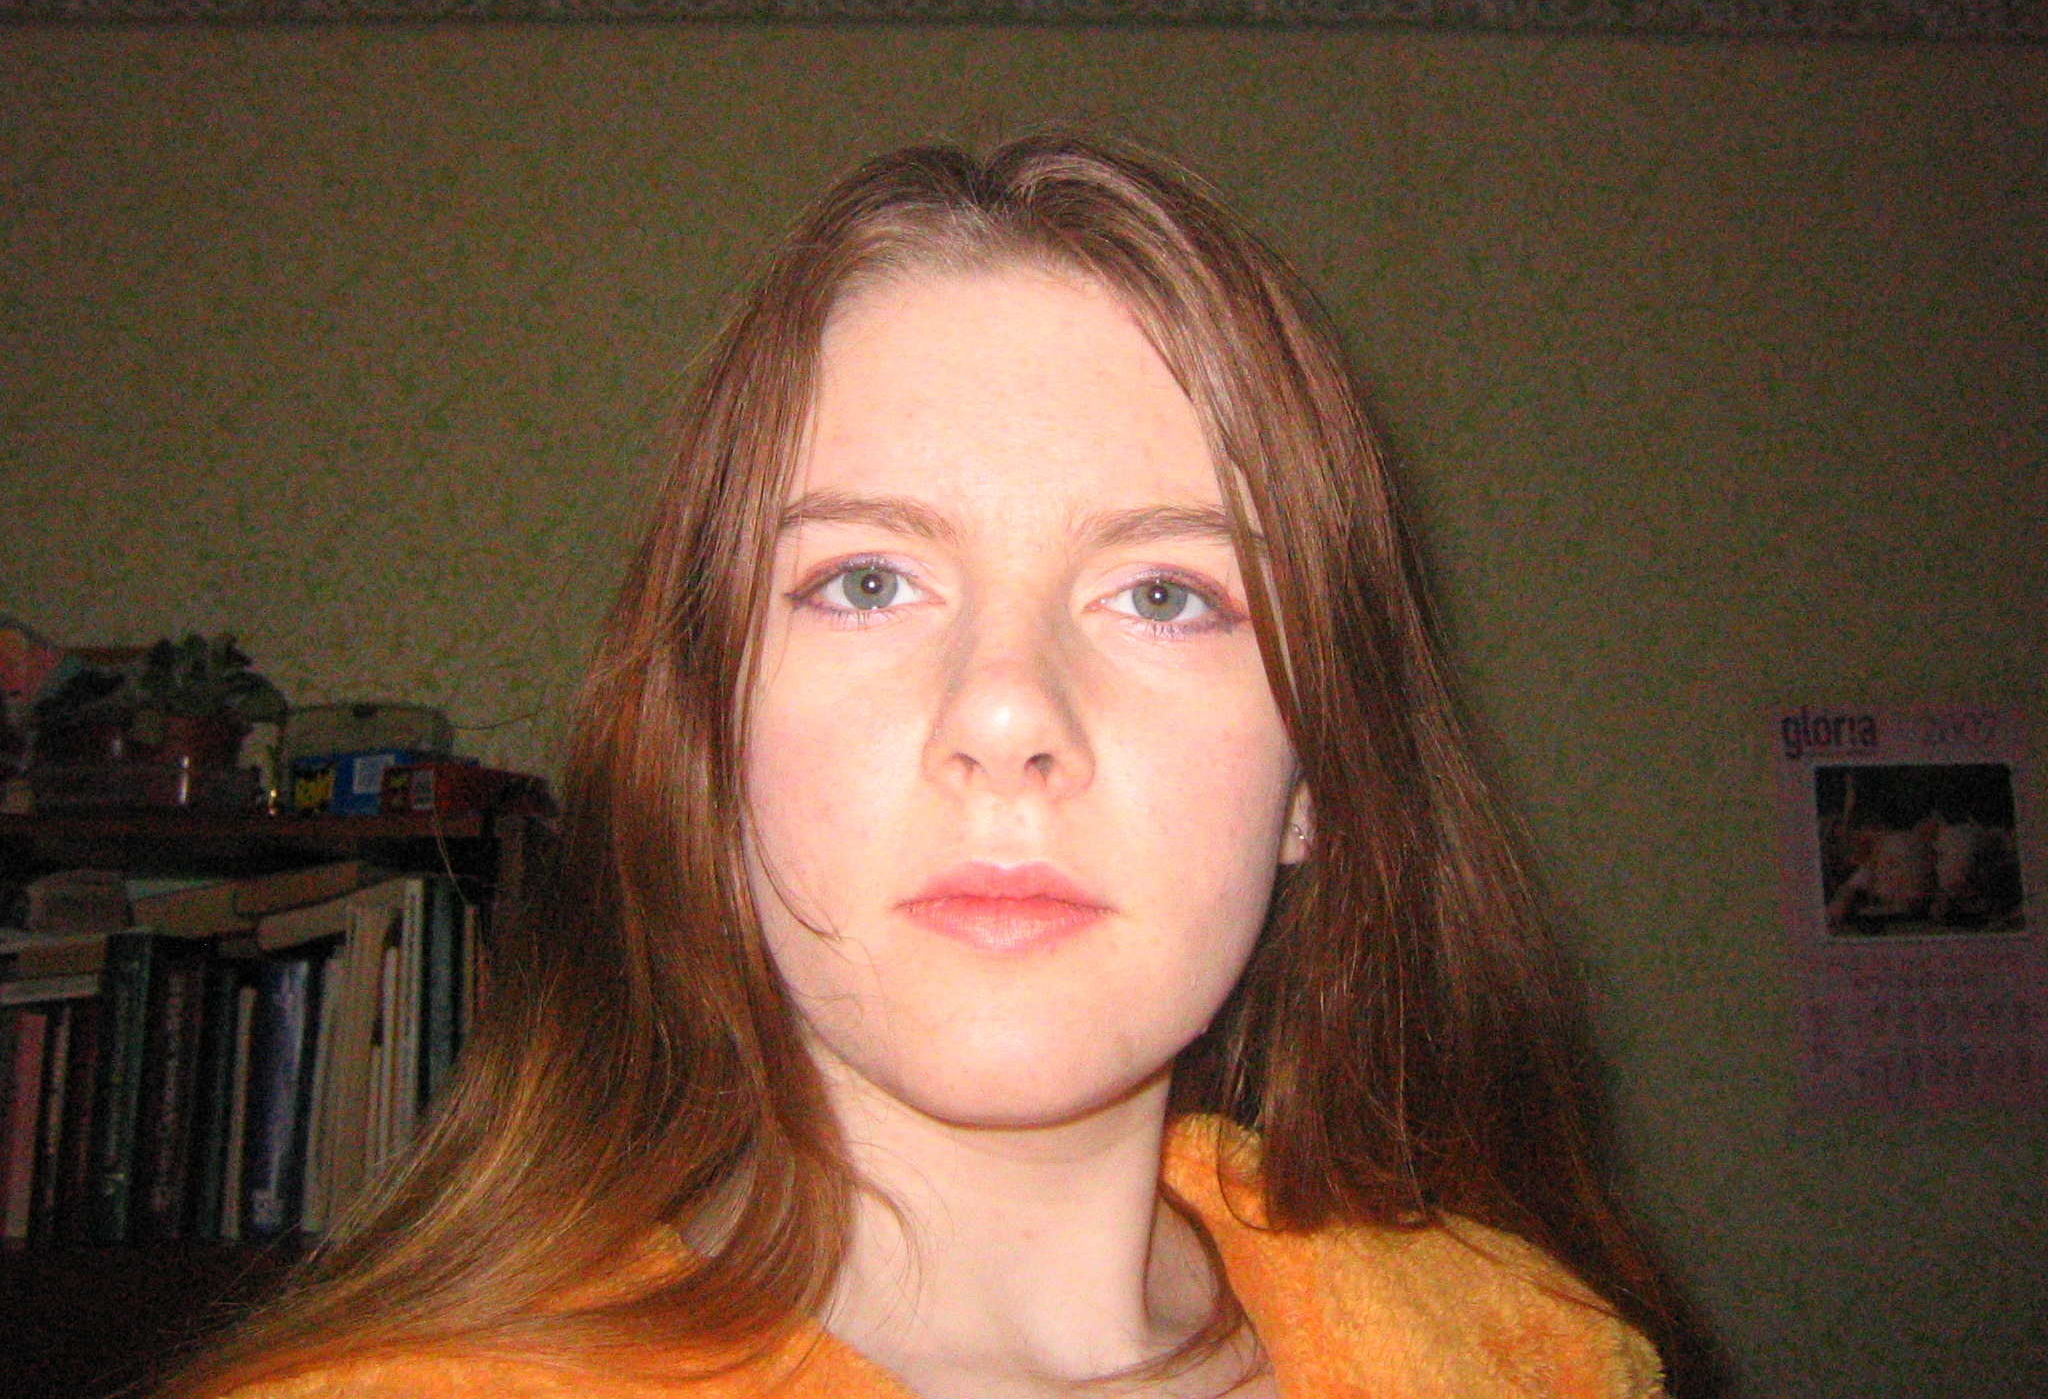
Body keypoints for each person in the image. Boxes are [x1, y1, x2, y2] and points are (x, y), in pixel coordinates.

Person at [174, 135, 1693, 1399]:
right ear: (710, 736)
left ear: (1317, 775)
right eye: (868, 581)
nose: (1008, 713)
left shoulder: (1536, 1356)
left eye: (1166, 596)